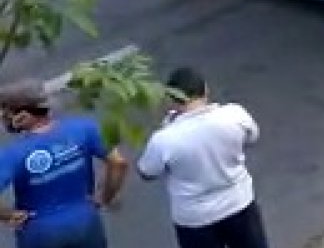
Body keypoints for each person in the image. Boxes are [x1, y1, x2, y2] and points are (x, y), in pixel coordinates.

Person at [138, 68, 270, 248]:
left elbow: (147, 172)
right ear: (206, 90)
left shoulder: (164, 139)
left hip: (195, 219)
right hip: (239, 204)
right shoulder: (235, 115)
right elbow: (252, 138)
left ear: (171, 99)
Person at [0, 79, 128, 248]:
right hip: (85, 223)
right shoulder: (83, 128)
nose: (4, 119)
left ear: (23, 116)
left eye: (7, 113)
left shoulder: (13, 154)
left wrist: (8, 215)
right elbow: (118, 162)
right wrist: (105, 197)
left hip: (39, 232)